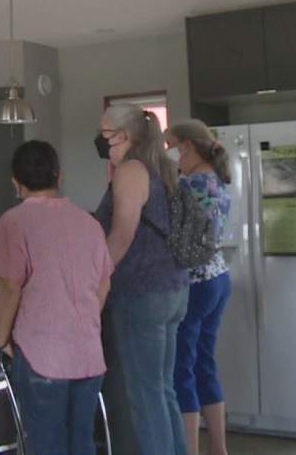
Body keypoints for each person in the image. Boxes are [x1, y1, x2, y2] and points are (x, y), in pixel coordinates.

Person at [0, 140, 113, 455]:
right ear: (59, 178)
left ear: (15, 183)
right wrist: (81, 320)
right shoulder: (89, 222)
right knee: (82, 442)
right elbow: (103, 284)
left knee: (47, 445)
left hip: (41, 354)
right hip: (88, 353)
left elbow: (9, 287)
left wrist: (1, 337)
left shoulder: (14, 221)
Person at [95, 103, 189, 455]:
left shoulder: (131, 170)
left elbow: (121, 235)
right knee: (162, 389)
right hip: (172, 289)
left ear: (123, 135)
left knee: (144, 394)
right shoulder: (161, 167)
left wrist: (95, 279)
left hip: (140, 293)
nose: (101, 141)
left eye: (104, 134)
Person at [167, 120, 233, 455]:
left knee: (183, 368)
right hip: (219, 278)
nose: (172, 156)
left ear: (188, 146)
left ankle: (190, 451)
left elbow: (173, 234)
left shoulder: (190, 184)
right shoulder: (218, 180)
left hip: (193, 283)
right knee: (205, 362)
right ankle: (219, 449)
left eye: (173, 147)